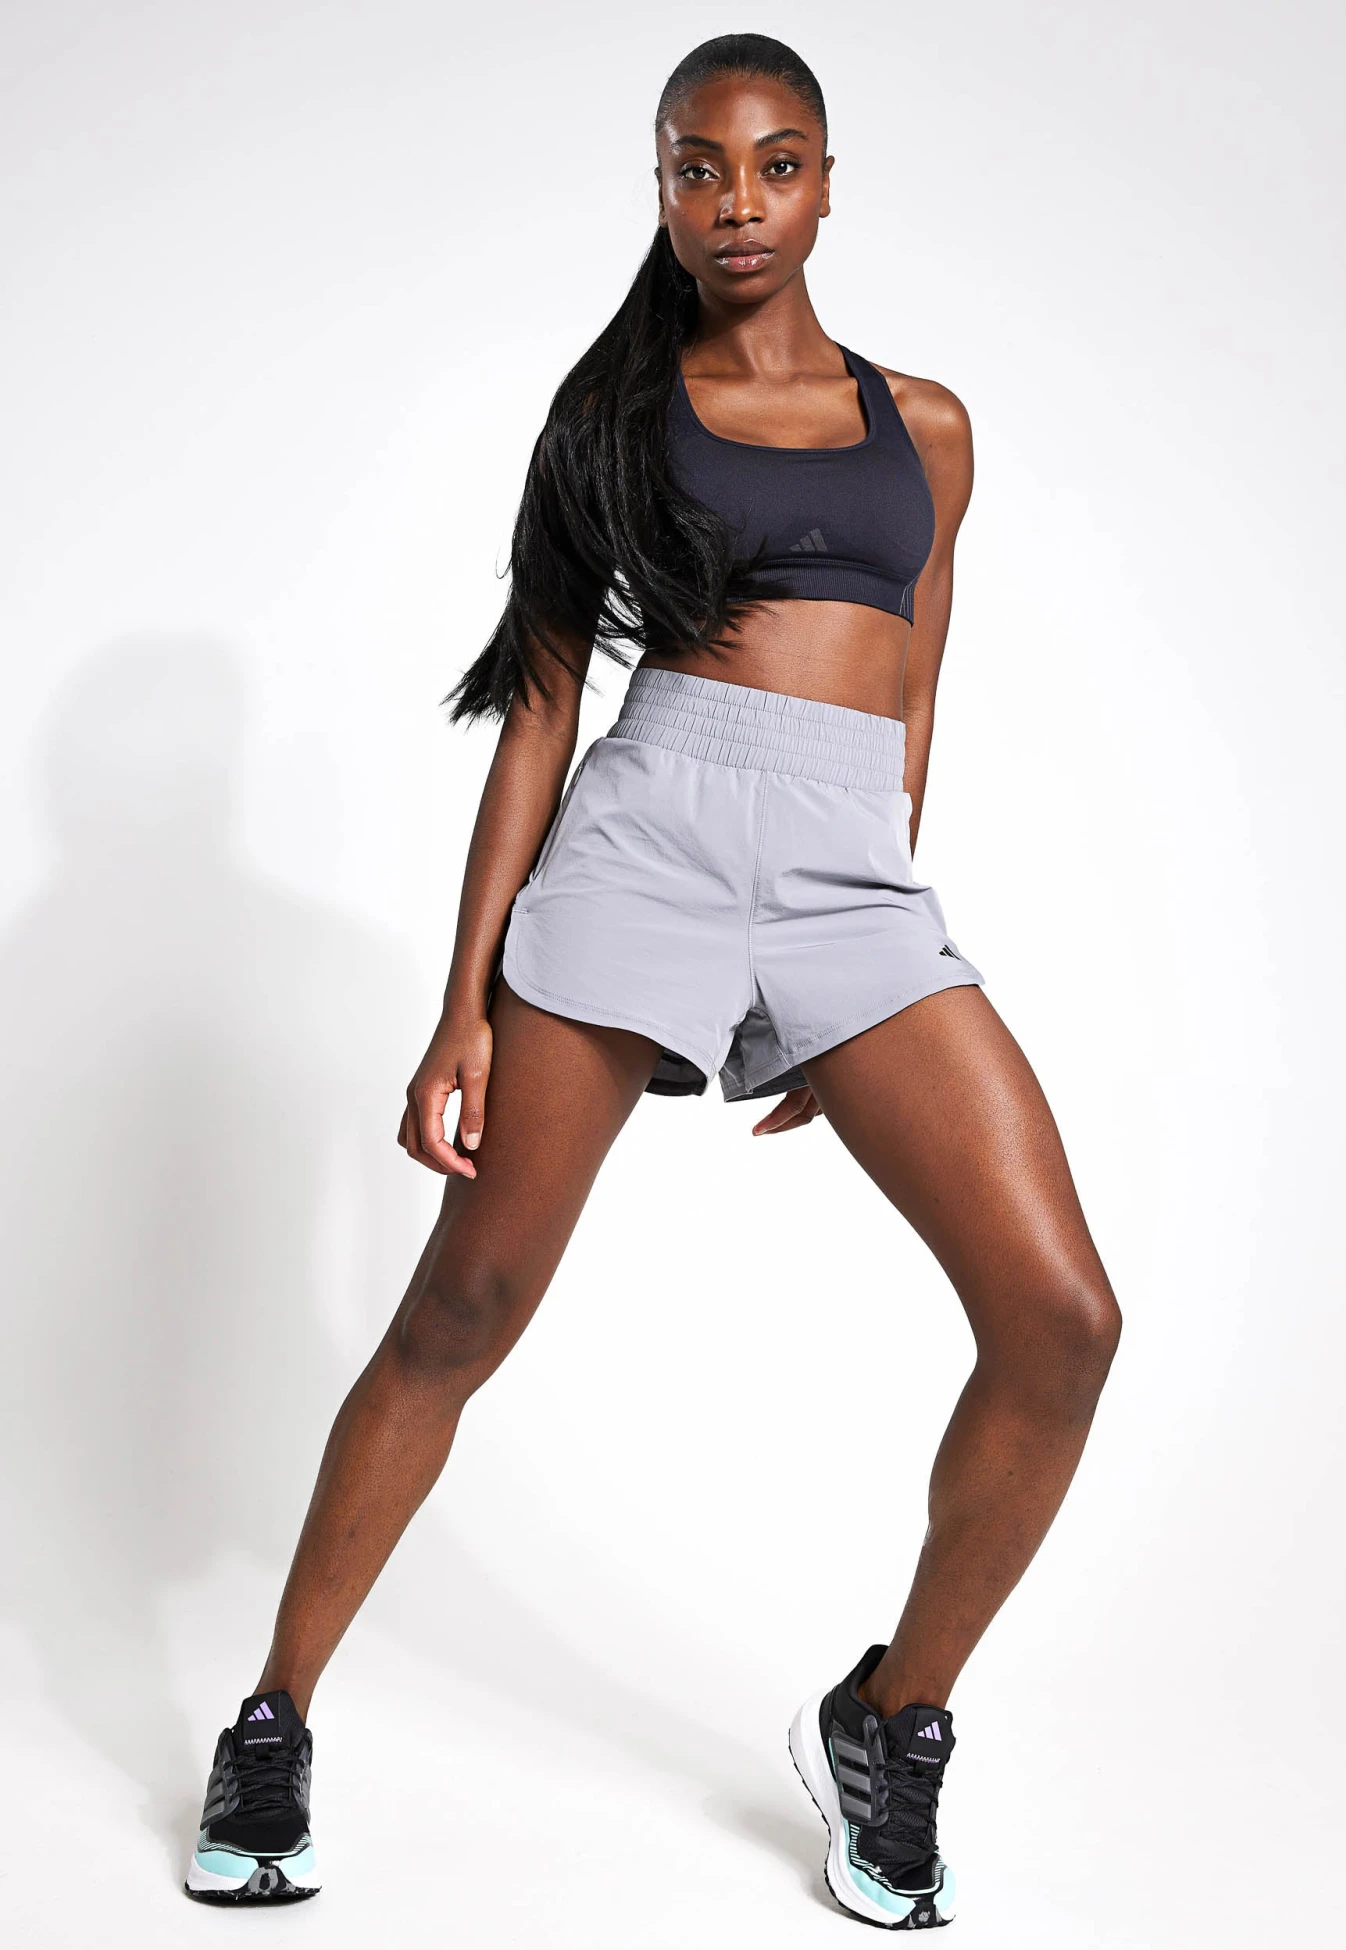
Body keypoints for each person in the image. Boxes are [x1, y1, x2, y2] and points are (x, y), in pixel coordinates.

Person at [184, 33, 1121, 1930]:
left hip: (849, 875)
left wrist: (852, 964)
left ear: (830, 180)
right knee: (467, 1300)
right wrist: (462, 1004)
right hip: (647, 842)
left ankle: (894, 1719)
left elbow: (912, 692)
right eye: (700, 167)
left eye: (776, 165)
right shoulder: (613, 412)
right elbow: (540, 713)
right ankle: (274, 1714)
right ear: (664, 189)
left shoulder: (927, 427)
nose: (738, 202)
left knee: (1063, 1318)